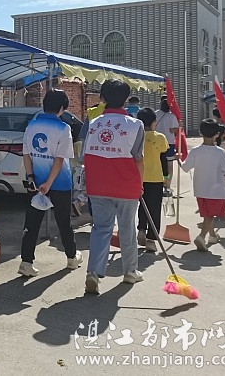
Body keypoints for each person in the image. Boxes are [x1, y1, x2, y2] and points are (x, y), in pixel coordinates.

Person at [82, 79, 145, 294]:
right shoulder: (135, 125)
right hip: (126, 185)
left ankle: (93, 272)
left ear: (102, 98)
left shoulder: (93, 123)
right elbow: (138, 158)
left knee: (101, 228)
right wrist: (140, 184)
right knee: (127, 228)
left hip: (98, 184)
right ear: (126, 99)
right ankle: (130, 271)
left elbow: (85, 155)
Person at [18, 89, 83, 276]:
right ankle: (71, 258)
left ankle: (26, 262)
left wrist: (32, 177)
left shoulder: (31, 126)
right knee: (64, 222)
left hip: (35, 182)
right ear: (62, 108)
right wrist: (49, 183)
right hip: (60, 183)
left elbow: (26, 154)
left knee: (31, 223)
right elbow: (60, 159)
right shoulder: (63, 128)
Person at [179, 118, 225, 251]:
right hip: (217, 189)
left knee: (208, 214)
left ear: (200, 133)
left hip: (200, 188)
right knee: (210, 215)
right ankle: (202, 236)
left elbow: (185, 168)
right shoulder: (220, 152)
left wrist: (178, 159)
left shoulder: (195, 151)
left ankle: (212, 235)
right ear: (217, 134)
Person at [135, 108, 169, 253]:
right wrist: (166, 177)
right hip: (155, 178)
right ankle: (151, 239)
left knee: (142, 206)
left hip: (138, 177)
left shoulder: (135, 137)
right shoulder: (160, 137)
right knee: (154, 208)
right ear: (154, 122)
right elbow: (163, 158)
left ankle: (141, 229)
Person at [155, 95, 179, 195]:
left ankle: (159, 184)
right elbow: (173, 130)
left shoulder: (155, 114)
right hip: (169, 142)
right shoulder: (172, 116)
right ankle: (167, 185)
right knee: (169, 166)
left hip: (156, 142)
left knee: (158, 164)